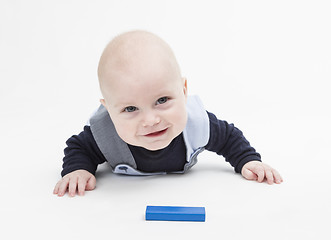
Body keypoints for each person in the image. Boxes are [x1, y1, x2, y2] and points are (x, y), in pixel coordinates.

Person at [53, 30, 283, 197]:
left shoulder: (197, 123)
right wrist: (78, 170)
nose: (151, 120)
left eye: (162, 100)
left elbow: (229, 138)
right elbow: (78, 147)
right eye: (130, 109)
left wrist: (247, 160)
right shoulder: (105, 133)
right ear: (108, 109)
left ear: (183, 91)